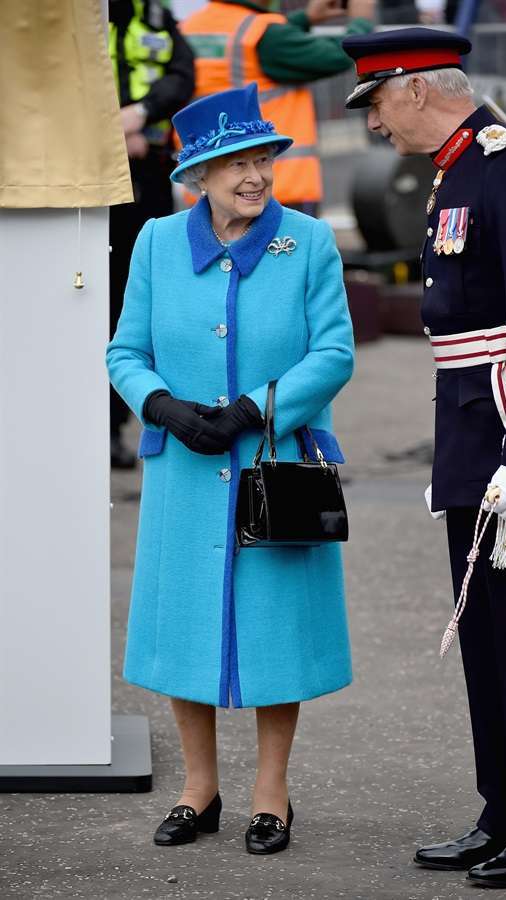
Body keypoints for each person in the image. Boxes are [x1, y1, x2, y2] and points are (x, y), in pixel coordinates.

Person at [343, 26, 506, 889]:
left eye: (375, 102)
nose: (374, 124)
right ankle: (504, 810)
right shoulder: (459, 168)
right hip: (469, 433)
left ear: (416, 87)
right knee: (488, 641)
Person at [106, 83, 355, 855]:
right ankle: (197, 790)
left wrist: (254, 408)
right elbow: (124, 352)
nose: (252, 175)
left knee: (275, 635)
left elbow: (334, 352)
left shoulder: (307, 242)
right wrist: (161, 408)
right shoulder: (154, 242)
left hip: (275, 465)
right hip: (184, 471)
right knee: (185, 632)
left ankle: (271, 795)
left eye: (261, 160)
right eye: (232, 163)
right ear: (196, 177)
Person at [178, 0, 375, 216]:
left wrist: (304, 19)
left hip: (211, 188)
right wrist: (361, 21)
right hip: (274, 189)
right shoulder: (265, 34)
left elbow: (259, 41)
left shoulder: (188, 27)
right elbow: (337, 55)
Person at [108, 0, 195, 467]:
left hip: (149, 170)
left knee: (138, 301)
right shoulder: (76, 16)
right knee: (96, 302)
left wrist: (140, 114)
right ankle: (103, 428)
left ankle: (133, 422)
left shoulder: (156, 16)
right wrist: (109, 133)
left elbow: (183, 76)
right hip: (92, 176)